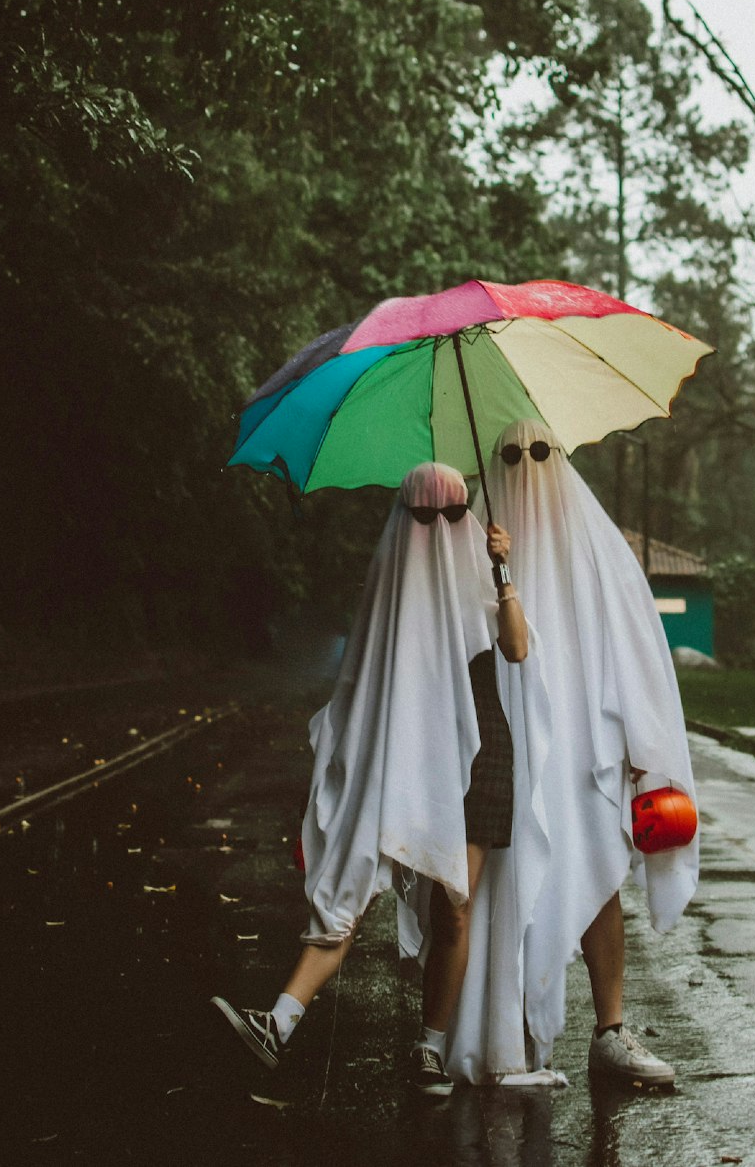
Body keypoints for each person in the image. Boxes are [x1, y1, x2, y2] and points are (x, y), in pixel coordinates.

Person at [211, 461, 545, 1096]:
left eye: (451, 515)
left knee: (455, 904)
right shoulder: (391, 586)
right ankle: (279, 1023)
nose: (437, 528)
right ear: (403, 519)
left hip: (480, 755)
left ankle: (431, 1046)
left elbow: (518, 648)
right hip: (400, 750)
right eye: (424, 515)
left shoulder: (481, 564)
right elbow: (363, 679)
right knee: (352, 883)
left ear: (466, 517)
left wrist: (503, 573)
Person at [476, 418, 699, 1087]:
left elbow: (635, 646)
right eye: (510, 453)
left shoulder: (596, 545)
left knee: (597, 870)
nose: (526, 463)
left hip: (585, 748)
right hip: (505, 739)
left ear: (562, 455)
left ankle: (610, 1028)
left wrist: (639, 744)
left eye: (541, 449)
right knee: (503, 878)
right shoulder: (479, 543)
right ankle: (503, 1031)